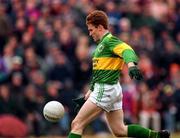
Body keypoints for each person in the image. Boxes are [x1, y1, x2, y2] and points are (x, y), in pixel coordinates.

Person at [68, 10, 170, 138]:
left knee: (76, 124)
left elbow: (127, 50)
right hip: (112, 89)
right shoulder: (101, 47)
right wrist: (88, 93)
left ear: (100, 27)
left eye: (91, 30)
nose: (90, 33)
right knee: (119, 131)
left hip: (105, 89)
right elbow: (99, 72)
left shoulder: (109, 41)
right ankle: (156, 136)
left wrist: (132, 66)